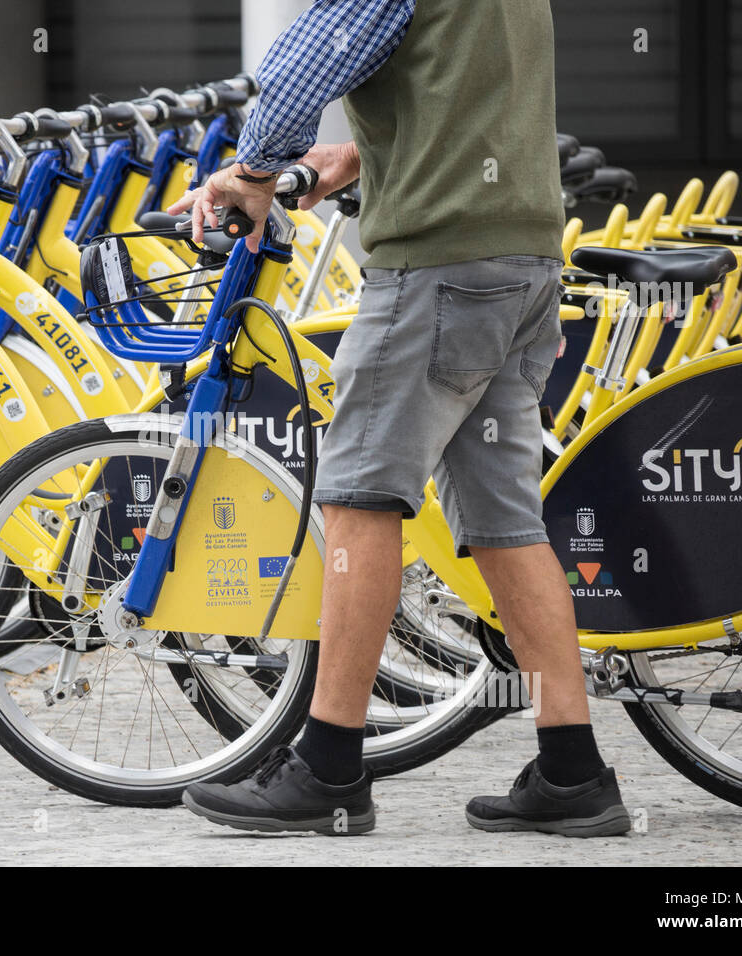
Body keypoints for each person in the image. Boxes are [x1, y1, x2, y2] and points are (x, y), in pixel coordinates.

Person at [170, 0, 631, 837]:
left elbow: (301, 65)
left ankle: (329, 767)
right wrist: (351, 159)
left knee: (358, 501)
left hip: (434, 272)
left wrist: (253, 172)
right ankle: (573, 772)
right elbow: (459, 97)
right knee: (505, 524)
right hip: (521, 264)